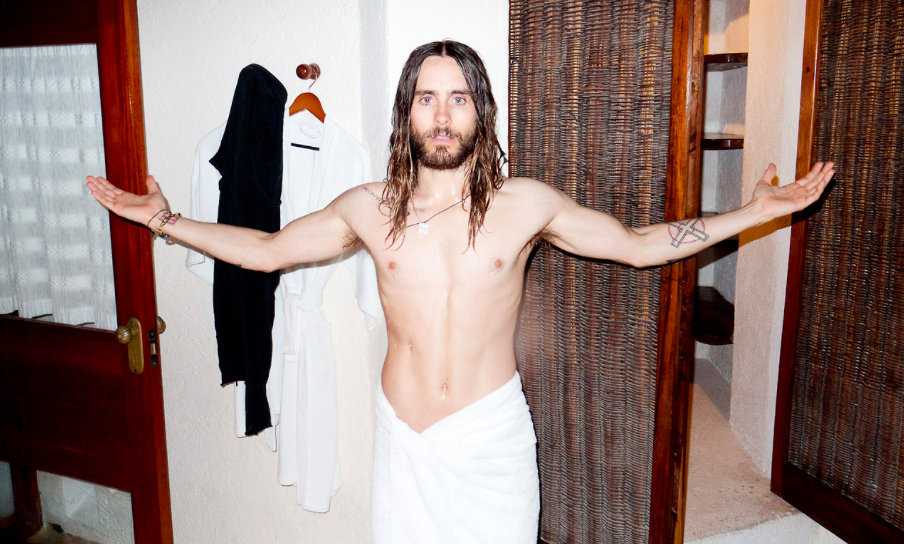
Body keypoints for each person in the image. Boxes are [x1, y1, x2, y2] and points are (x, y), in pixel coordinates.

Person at [87, 41, 834, 543]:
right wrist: (165, 221)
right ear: (406, 112)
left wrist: (751, 213)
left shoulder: (527, 205)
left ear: (481, 111)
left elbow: (639, 245)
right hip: (403, 445)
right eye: (426, 99)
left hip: (490, 443)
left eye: (458, 99)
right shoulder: (367, 207)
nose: (442, 116)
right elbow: (268, 251)